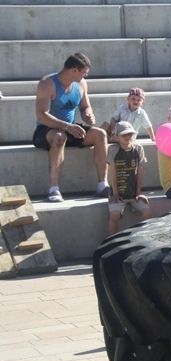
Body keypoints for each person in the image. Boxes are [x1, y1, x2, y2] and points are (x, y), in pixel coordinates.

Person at [33, 52, 110, 203]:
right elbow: (42, 114)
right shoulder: (47, 83)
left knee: (100, 134)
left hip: (70, 129)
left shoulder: (81, 84)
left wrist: (88, 114)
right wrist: (66, 126)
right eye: (84, 72)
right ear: (74, 70)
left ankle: (102, 184)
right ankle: (54, 188)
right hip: (47, 130)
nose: (86, 76)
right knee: (59, 137)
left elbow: (85, 106)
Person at [107, 121, 150, 235]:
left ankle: (146, 238)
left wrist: (138, 192)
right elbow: (112, 172)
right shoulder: (112, 150)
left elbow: (140, 170)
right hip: (118, 193)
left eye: (130, 134)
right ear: (117, 137)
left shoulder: (138, 148)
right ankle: (112, 241)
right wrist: (115, 194)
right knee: (114, 215)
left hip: (134, 193)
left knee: (147, 212)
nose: (128, 137)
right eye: (124, 135)